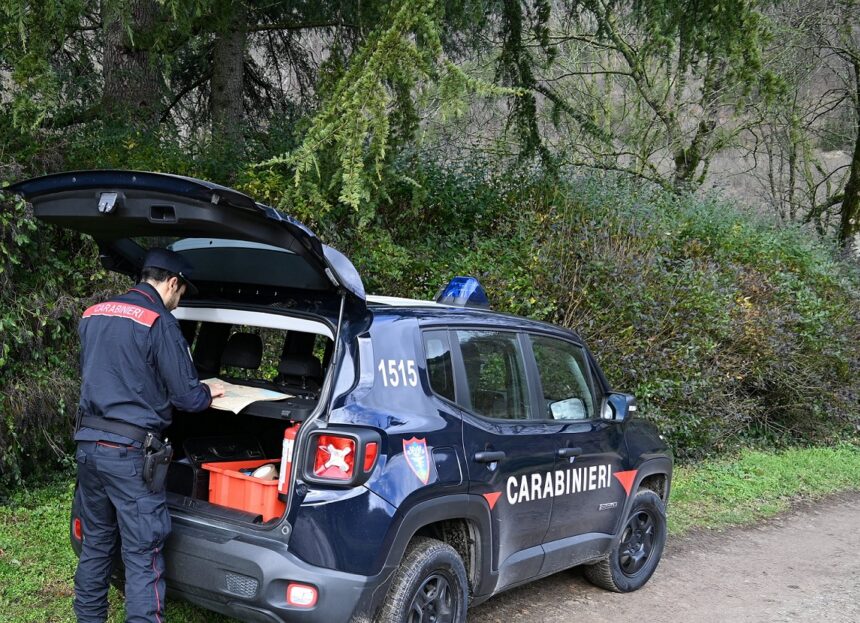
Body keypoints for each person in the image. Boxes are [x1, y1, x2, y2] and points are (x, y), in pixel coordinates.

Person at [72, 248, 225, 623]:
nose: (178, 300)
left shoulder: (94, 313)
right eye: (182, 292)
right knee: (143, 554)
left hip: (89, 447)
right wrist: (211, 390)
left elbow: (104, 373)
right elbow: (188, 397)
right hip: (129, 456)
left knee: (96, 545)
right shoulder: (159, 322)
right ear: (173, 283)